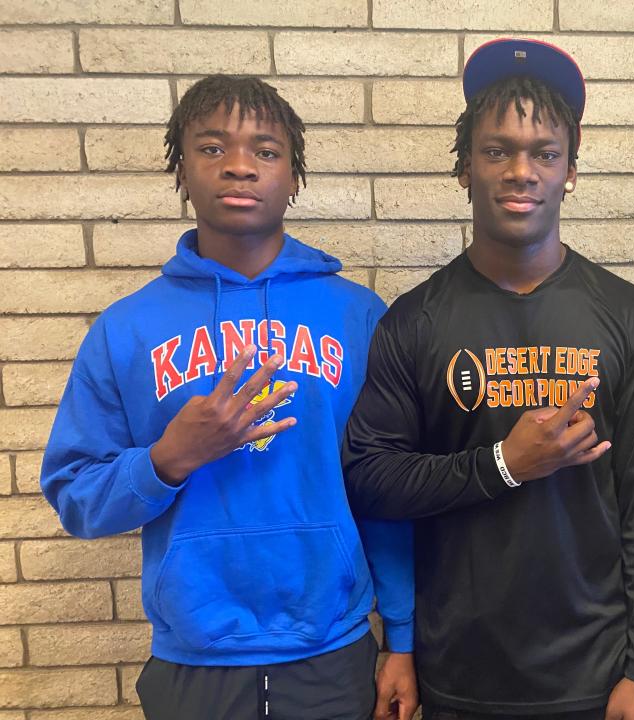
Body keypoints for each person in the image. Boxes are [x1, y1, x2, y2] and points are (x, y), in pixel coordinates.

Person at [40, 75, 417, 720]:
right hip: (194, 662)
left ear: (293, 175)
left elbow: (385, 490)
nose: (240, 166)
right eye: (212, 148)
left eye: (265, 151)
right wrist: (167, 460)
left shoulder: (357, 318)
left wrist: (403, 639)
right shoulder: (127, 329)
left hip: (332, 652)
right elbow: (76, 497)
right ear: (181, 170)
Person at [343, 39, 634, 720]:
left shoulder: (625, 314)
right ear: (466, 168)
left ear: (570, 171)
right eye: (497, 151)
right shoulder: (416, 319)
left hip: (595, 673)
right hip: (459, 673)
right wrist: (502, 465)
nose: (521, 171)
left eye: (544, 154)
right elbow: (371, 479)